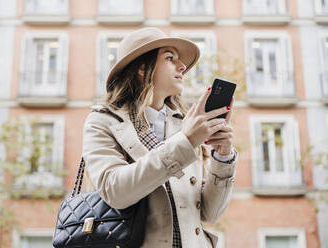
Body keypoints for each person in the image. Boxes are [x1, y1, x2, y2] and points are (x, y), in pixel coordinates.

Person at [82, 27, 238, 248]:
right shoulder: (102, 121)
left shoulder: (184, 123)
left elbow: (209, 214)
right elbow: (114, 191)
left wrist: (223, 157)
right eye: (169, 58)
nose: (182, 66)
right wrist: (186, 141)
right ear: (142, 68)